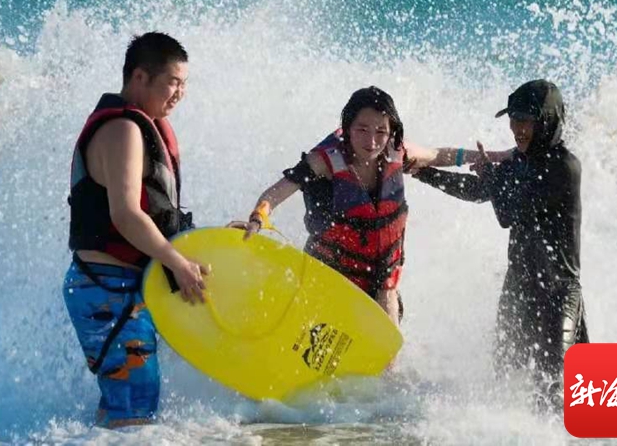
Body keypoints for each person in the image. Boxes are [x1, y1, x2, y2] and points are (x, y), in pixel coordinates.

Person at [231, 86, 508, 326]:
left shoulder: (397, 151)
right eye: (362, 130)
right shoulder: (325, 161)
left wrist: (498, 156)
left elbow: (438, 155)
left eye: (381, 131)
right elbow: (279, 190)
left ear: (391, 131)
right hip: (329, 269)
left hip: (381, 274)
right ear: (348, 128)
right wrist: (258, 217)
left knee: (388, 345)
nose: (372, 141)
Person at [63, 32, 209, 428]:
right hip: (106, 287)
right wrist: (176, 262)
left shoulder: (144, 126)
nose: (180, 94)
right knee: (134, 410)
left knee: (127, 406)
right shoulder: (123, 129)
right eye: (173, 83)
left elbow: (157, 213)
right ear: (140, 77)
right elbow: (126, 215)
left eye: (184, 84)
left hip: (123, 285)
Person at [412, 79, 588, 406]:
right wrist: (424, 173)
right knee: (506, 382)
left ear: (546, 121)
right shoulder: (519, 161)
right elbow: (477, 191)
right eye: (514, 119)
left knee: (556, 389)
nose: (517, 129)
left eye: (526, 121)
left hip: (558, 293)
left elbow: (508, 213)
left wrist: (492, 178)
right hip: (518, 287)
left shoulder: (565, 167)